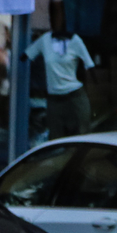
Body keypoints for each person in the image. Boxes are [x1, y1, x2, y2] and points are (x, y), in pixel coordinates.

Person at [29, 10, 96, 138]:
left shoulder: (75, 41)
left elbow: (89, 67)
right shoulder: (44, 41)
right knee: (56, 139)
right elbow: (25, 58)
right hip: (53, 99)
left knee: (81, 136)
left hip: (74, 96)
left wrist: (93, 93)